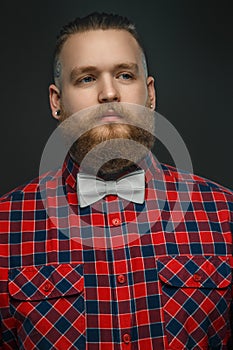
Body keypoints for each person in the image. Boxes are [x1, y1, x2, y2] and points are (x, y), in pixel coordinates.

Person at [0, 12, 233, 350]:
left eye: (125, 75)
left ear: (150, 94)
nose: (108, 93)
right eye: (86, 79)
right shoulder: (5, 227)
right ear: (56, 102)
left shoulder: (225, 216)